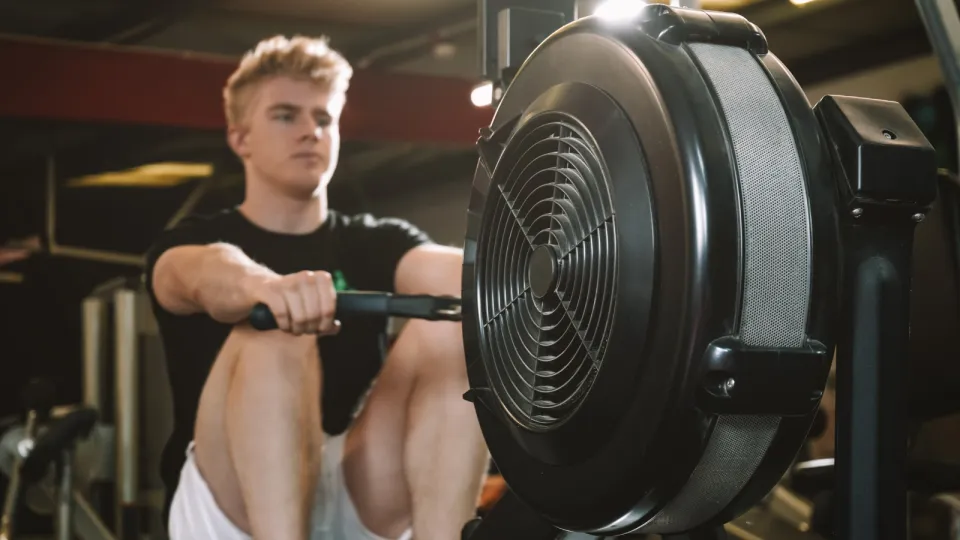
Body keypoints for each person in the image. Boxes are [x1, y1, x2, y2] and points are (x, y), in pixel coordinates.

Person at [145, 34, 488, 540]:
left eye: (323, 119)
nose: (310, 131)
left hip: (356, 483)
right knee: (274, 329)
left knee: (454, 327)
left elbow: (461, 275)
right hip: (232, 504)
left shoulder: (377, 241)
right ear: (240, 138)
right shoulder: (196, 241)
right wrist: (265, 287)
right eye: (286, 116)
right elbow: (197, 273)